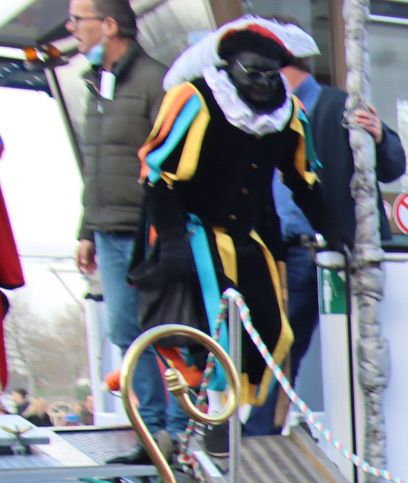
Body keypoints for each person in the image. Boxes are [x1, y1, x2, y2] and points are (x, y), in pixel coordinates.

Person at [133, 19, 327, 446]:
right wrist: (171, 244)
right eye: (251, 72)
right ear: (230, 68)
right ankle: (198, 428)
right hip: (189, 233)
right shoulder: (196, 99)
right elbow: (158, 174)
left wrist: (340, 236)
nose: (261, 82)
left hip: (249, 240)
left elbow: (304, 182)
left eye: (270, 73)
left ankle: (229, 424)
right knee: (203, 331)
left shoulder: (288, 113)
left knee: (271, 332)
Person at [243, 42, 406, 437]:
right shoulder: (262, 115)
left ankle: (357, 434)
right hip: (289, 251)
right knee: (280, 342)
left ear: (280, 67)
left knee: (355, 343)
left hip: (340, 250)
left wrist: (381, 137)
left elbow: (393, 166)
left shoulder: (340, 106)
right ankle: (260, 433)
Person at [69, 0, 169, 430]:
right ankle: (148, 428)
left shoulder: (156, 81)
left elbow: (170, 158)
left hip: (148, 232)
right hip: (107, 231)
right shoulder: (96, 84)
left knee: (162, 331)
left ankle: (179, 431)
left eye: (78, 20)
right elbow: (96, 164)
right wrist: (87, 229)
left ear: (108, 26)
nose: (73, 29)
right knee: (125, 332)